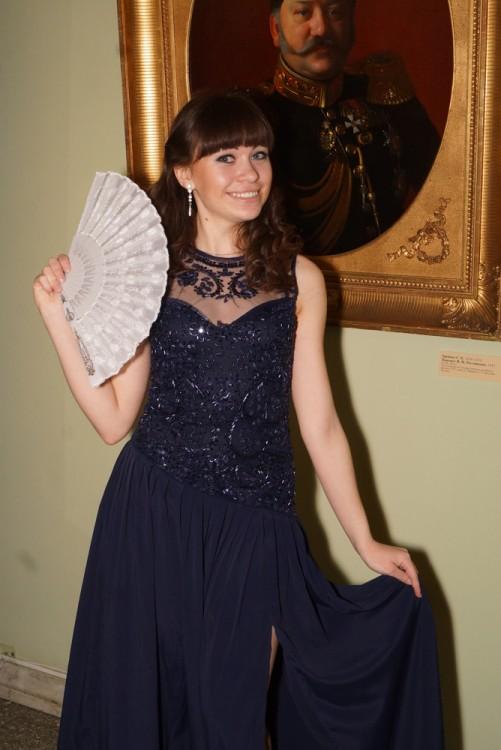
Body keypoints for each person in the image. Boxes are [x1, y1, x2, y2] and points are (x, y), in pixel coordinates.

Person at [33, 91, 443, 749]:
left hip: (257, 528)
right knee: (150, 710)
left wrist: (366, 541)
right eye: (224, 157)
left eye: (258, 154)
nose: (248, 172)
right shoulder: (152, 275)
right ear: (185, 173)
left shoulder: (300, 280)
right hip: (154, 514)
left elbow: (320, 425)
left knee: (234, 719)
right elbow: (113, 421)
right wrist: (57, 318)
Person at [257, 0, 441, 254]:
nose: (322, 28)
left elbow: (444, 198)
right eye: (303, 13)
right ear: (276, 29)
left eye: (336, 12)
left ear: (352, 24)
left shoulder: (384, 92)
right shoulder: (255, 116)